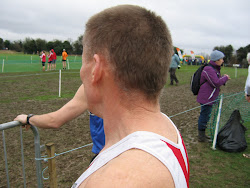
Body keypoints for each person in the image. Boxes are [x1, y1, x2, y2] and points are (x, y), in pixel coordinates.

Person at [72, 5, 189, 188]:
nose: (81, 73)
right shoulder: (164, 127)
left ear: (96, 68)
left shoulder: (116, 180)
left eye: (83, 63)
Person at [14, 85, 105, 158]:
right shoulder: (117, 78)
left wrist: (29, 119)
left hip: (106, 158)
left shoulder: (93, 86)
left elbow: (54, 120)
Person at [197, 50, 230, 142]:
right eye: (221, 59)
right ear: (216, 60)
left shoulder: (214, 68)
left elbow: (216, 80)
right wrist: (225, 78)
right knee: (204, 115)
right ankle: (201, 136)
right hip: (206, 97)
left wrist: (223, 78)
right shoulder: (209, 69)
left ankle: (202, 135)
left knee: (206, 115)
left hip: (210, 97)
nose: (223, 61)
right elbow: (216, 83)